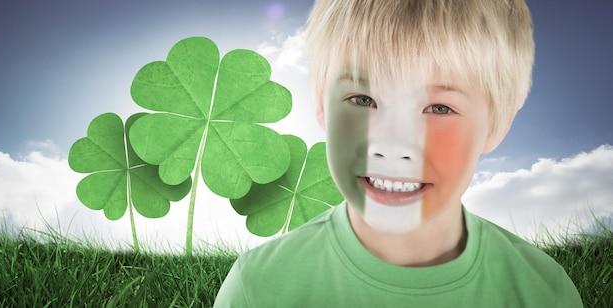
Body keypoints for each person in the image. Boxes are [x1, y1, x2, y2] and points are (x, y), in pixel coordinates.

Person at [214, 0, 583, 306]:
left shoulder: (545, 292)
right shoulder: (257, 289)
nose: (392, 145)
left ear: (497, 124)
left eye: (439, 108)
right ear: (321, 106)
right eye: (363, 99)